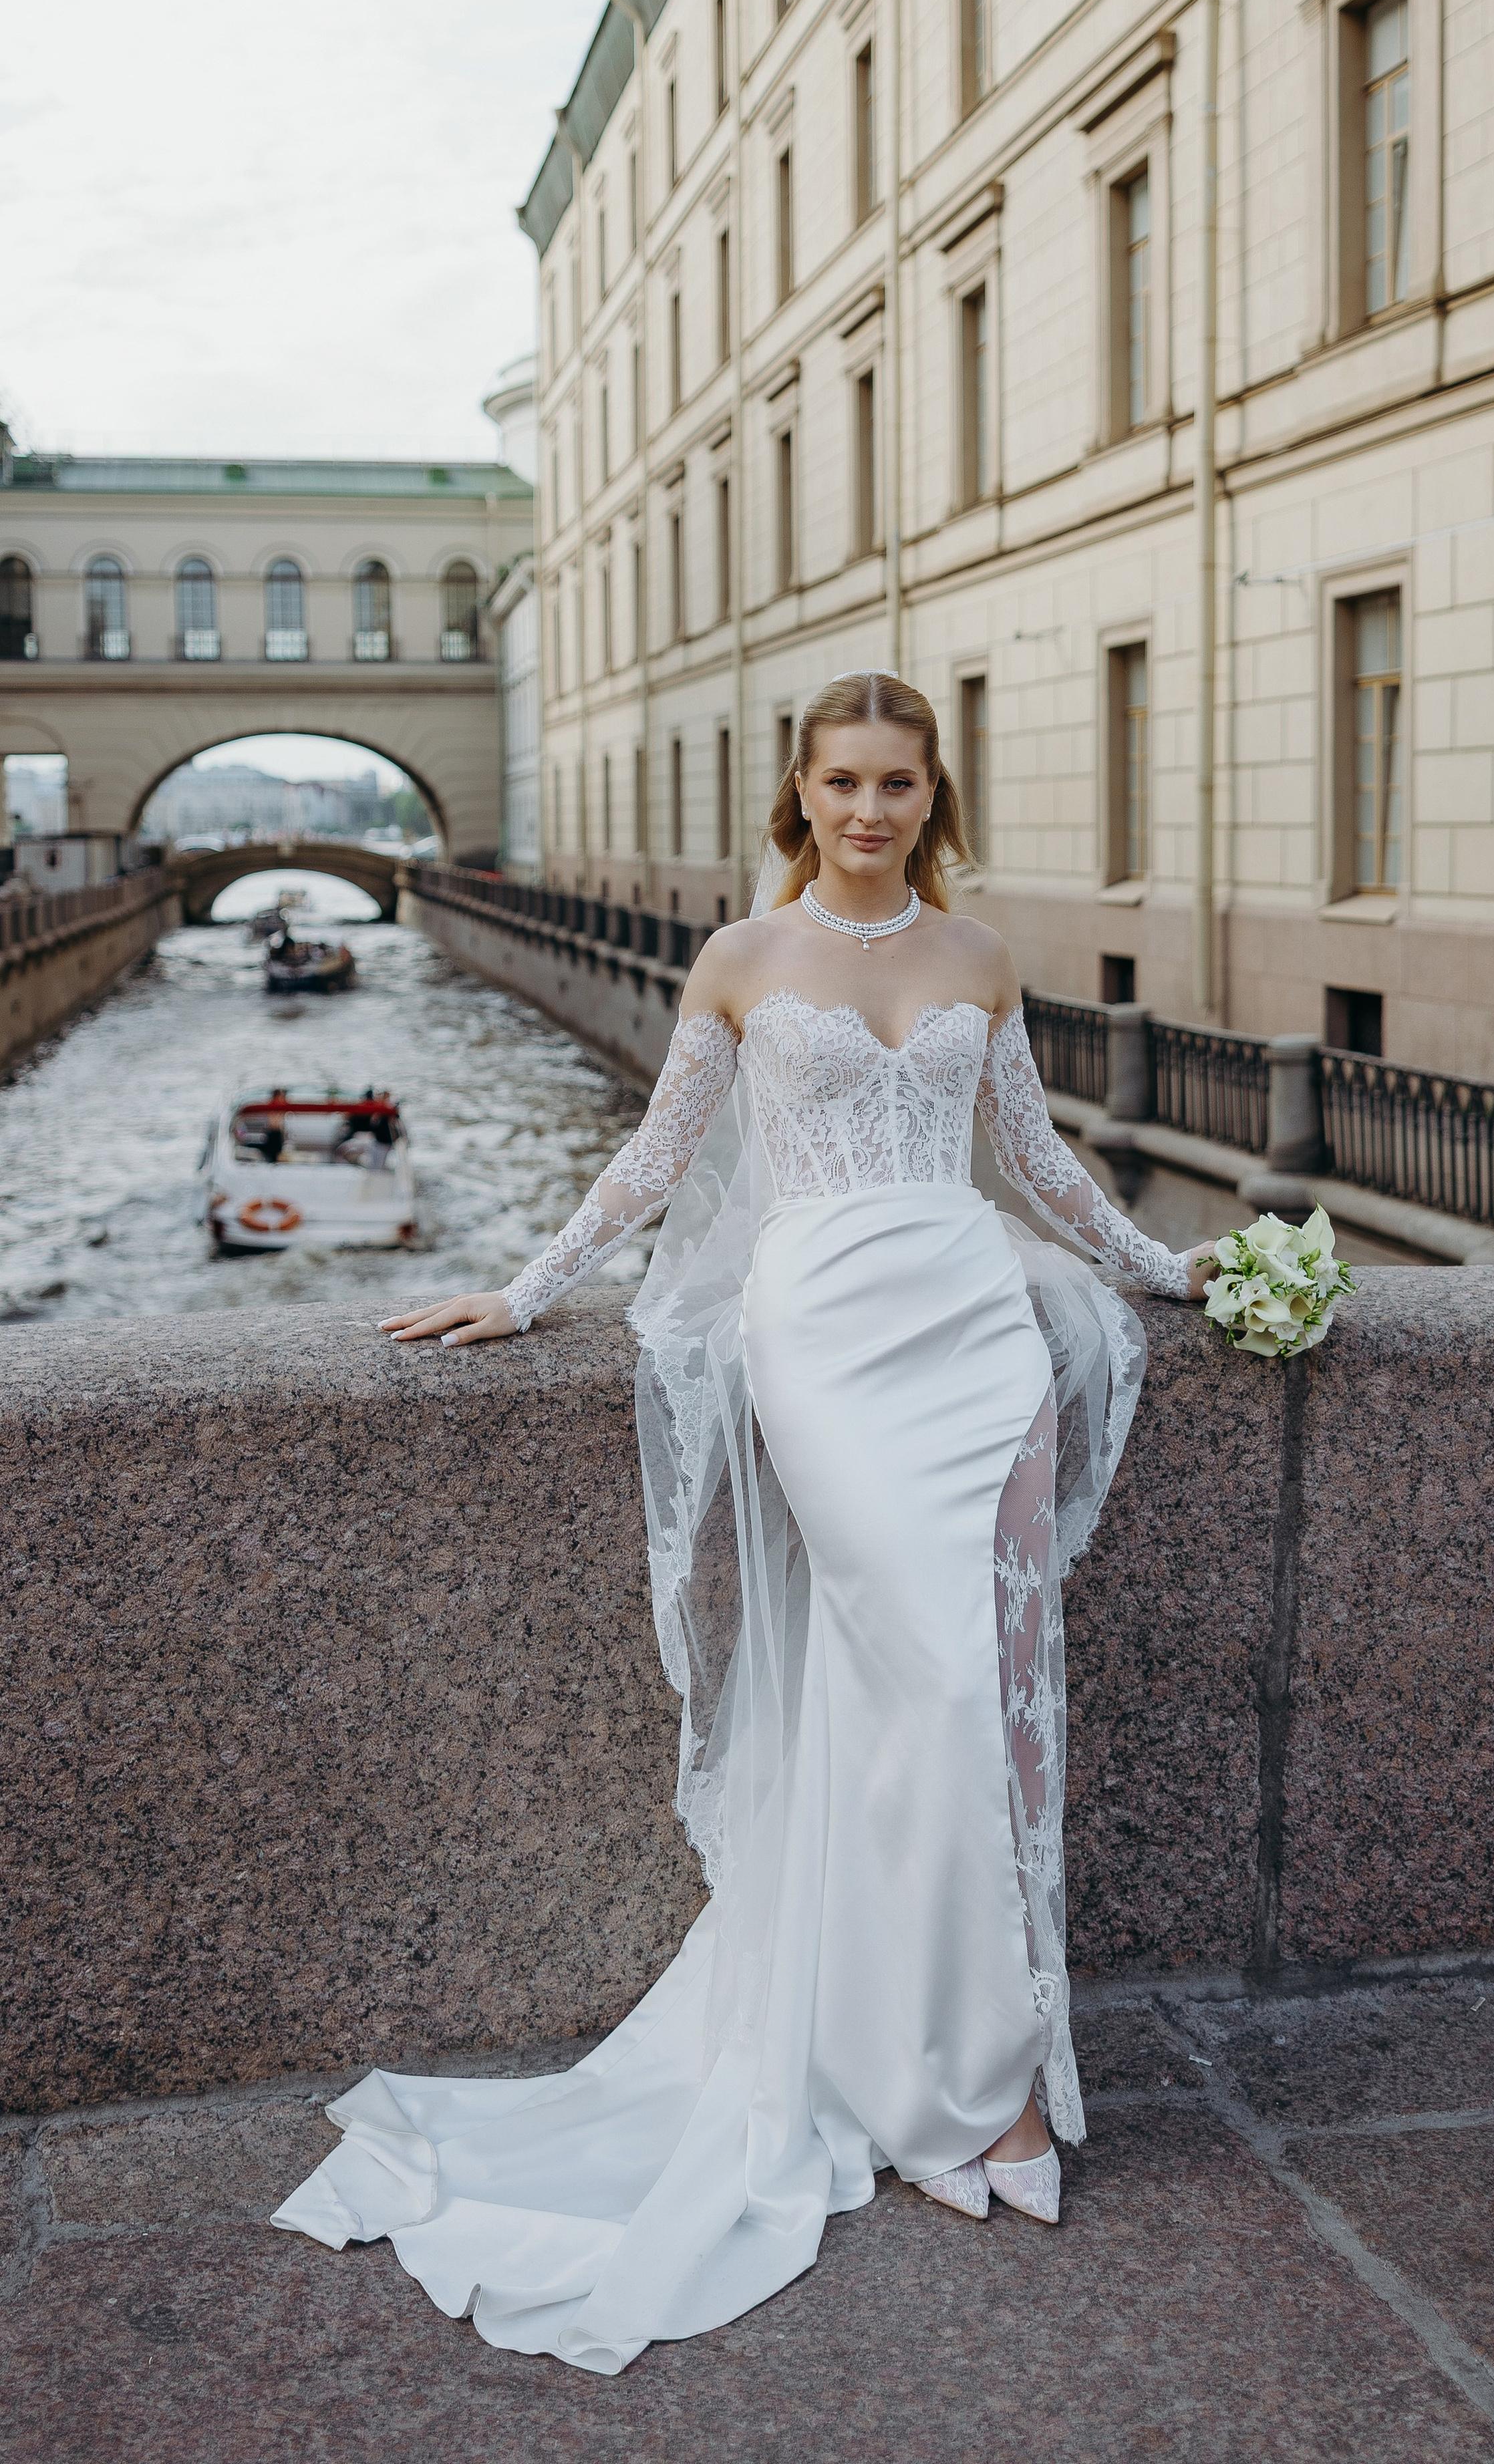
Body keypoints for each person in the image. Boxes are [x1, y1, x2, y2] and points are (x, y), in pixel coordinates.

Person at [272, 671, 1217, 2374]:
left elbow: (1040, 1166)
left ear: (935, 795)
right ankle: (942, 2088)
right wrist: (526, 1285)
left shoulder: (979, 959)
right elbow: (654, 1163)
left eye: (900, 785)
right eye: (844, 783)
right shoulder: (740, 957)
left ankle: (984, 2083)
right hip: (826, 1343)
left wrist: (1169, 1270)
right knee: (925, 1682)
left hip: (971, 1329)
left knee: (989, 1707)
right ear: (799, 791)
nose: (872, 810)